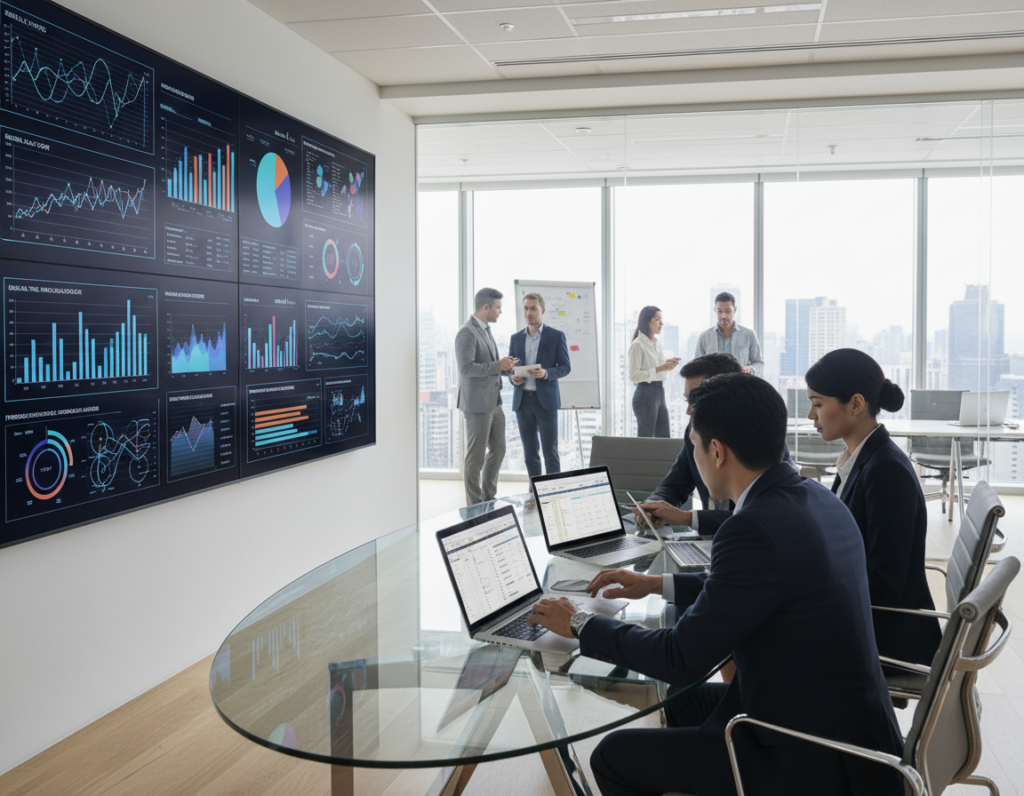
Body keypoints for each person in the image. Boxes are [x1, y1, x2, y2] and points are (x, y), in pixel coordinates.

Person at [528, 373, 904, 796]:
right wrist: (653, 584)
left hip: (809, 756)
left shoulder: (752, 528)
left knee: (613, 755)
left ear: (717, 452)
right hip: (850, 729)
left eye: (693, 446)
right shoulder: (815, 498)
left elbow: (679, 655)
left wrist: (579, 623)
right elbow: (752, 588)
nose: (694, 455)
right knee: (681, 698)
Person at [805, 348, 942, 668]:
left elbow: (884, 585)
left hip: (885, 635)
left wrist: (807, 588)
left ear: (855, 403)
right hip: (864, 619)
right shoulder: (862, 460)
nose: (811, 415)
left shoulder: (885, 471)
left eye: (818, 404)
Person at [455, 287, 518, 506]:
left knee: (499, 449)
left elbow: (487, 366)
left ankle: (488, 498)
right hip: (477, 405)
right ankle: (474, 506)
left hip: (494, 402)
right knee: (475, 459)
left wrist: (504, 368)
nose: (500, 312)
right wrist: (496, 365)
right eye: (498, 307)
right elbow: (466, 368)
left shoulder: (486, 330)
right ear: (486, 307)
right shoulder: (467, 332)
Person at [508, 293, 571, 479]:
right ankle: (533, 491)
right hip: (523, 402)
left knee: (550, 452)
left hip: (546, 402)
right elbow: (511, 369)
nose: (529, 312)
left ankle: (553, 491)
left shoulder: (556, 336)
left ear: (542, 311)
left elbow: (566, 367)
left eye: (533, 308)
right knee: (529, 453)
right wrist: (514, 378)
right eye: (526, 308)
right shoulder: (516, 338)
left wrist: (546, 373)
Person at [628, 306, 680, 438]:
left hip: (659, 393)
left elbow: (657, 370)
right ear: (647, 322)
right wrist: (662, 368)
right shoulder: (638, 344)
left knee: (664, 440)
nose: (661, 323)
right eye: (657, 320)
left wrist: (667, 365)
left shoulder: (656, 344)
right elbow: (634, 376)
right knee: (646, 443)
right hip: (645, 394)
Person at [693, 291, 764, 377]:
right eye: (719, 311)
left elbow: (759, 364)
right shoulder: (704, 337)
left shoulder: (749, 335)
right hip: (713, 388)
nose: (723, 316)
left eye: (727, 311)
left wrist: (748, 369)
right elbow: (696, 366)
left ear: (735, 310)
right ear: (715, 310)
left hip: (740, 387)